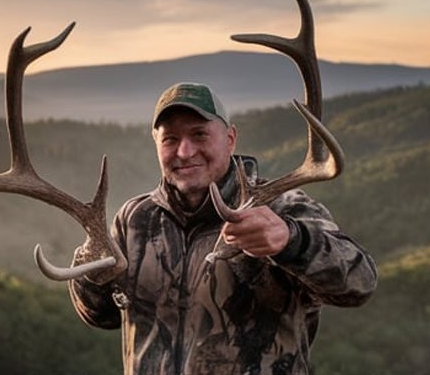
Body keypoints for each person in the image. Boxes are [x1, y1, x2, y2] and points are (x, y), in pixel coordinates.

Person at [69, 82, 377, 375]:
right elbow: (102, 316)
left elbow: (359, 283)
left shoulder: (281, 208)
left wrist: (291, 240)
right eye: (170, 139)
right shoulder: (135, 219)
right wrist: (91, 277)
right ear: (156, 144)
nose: (185, 151)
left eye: (199, 134)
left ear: (230, 139)